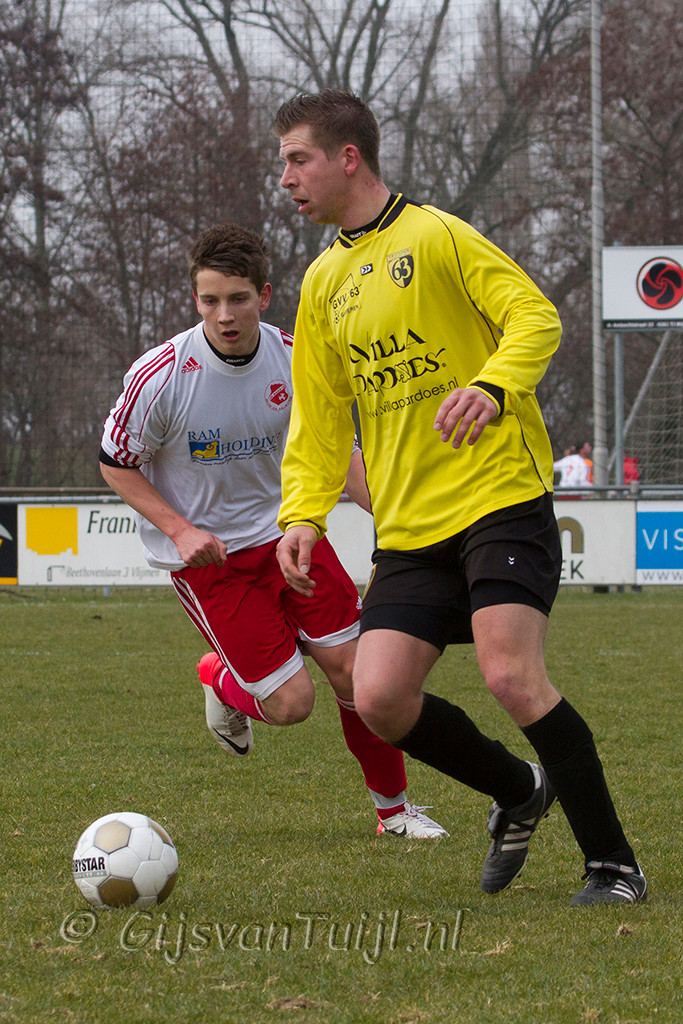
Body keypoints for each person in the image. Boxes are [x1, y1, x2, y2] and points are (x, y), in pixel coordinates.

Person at [274, 89, 645, 905]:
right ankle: (519, 788)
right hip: (410, 526)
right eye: (283, 164)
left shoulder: (437, 235)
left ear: (347, 157)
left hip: (496, 495)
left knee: (510, 675)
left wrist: (491, 384)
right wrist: (301, 513)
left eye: (297, 159)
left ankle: (612, 865)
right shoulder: (323, 280)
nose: (286, 178)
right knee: (376, 697)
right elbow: (319, 418)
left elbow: (534, 318)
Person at [99, 221, 447, 840]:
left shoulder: (296, 357)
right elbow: (115, 463)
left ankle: (394, 814)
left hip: (292, 539)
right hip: (212, 564)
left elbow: (336, 453)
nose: (224, 315)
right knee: (291, 706)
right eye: (210, 300)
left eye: (237, 298)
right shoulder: (162, 376)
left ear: (263, 295)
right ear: (195, 299)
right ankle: (218, 677)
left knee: (357, 675)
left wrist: (396, 519)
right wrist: (181, 532)